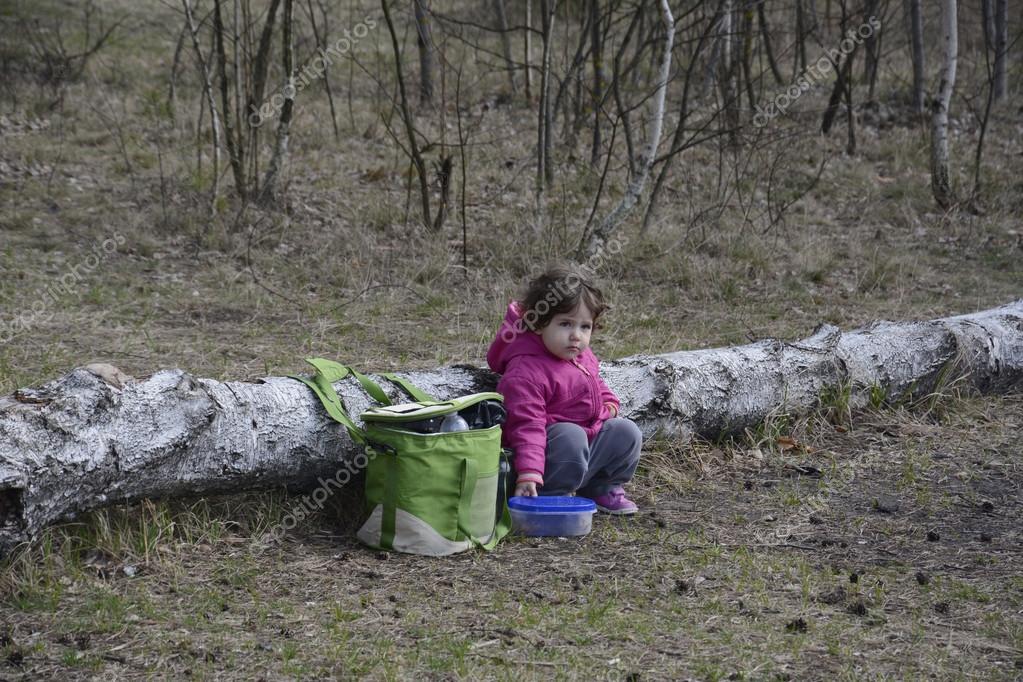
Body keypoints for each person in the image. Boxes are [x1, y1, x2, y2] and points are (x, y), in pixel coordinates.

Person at [486, 265, 642, 515]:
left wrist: (608, 401)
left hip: (580, 450)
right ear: (537, 324)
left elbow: (593, 382)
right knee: (571, 435)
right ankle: (552, 496)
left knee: (626, 431)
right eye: (565, 324)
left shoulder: (578, 355)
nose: (576, 336)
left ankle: (600, 487)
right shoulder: (526, 371)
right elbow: (526, 426)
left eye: (585, 326)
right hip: (545, 462)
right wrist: (529, 472)